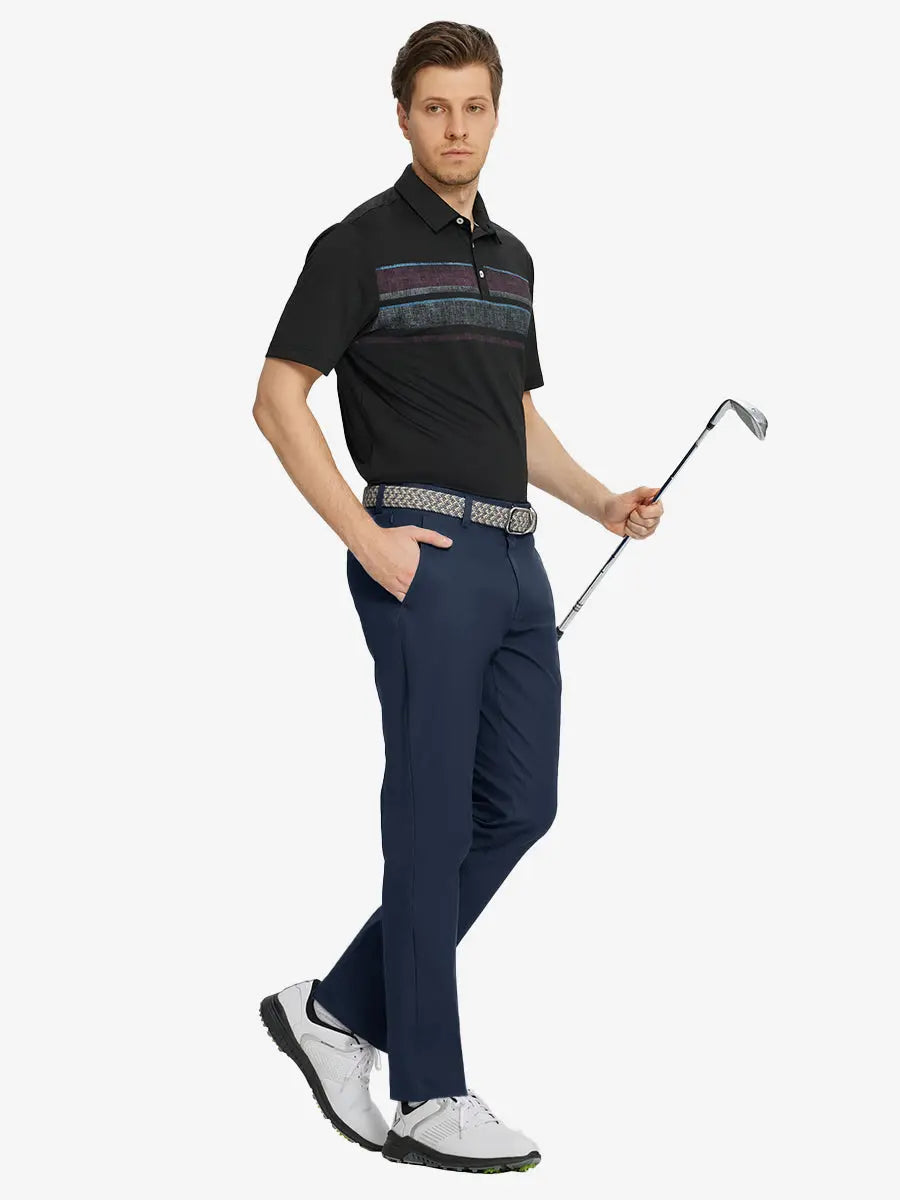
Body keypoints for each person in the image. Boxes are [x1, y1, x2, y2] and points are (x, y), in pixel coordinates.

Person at [253, 20, 663, 1175]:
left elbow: (514, 419)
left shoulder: (513, 259)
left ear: (496, 113)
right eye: (434, 107)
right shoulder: (357, 245)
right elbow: (277, 397)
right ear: (403, 116)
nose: (455, 128)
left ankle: (335, 1010)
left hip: (519, 564)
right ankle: (429, 1095)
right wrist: (366, 537)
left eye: (473, 107)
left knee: (519, 807)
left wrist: (599, 501)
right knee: (430, 820)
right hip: (422, 556)